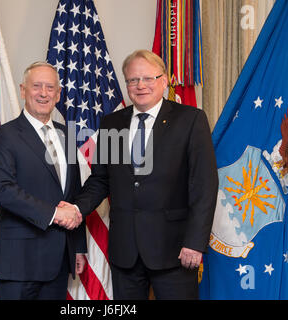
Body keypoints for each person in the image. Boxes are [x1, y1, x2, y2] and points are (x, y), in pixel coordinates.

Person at [60, 50, 218, 299]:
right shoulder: (112, 123)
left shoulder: (190, 120)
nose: (140, 85)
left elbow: (204, 186)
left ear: (163, 81)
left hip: (175, 249)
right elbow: (101, 179)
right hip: (125, 251)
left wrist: (195, 242)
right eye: (133, 80)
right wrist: (77, 209)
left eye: (148, 78)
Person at [0, 61, 86, 300]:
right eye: (37, 86)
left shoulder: (67, 134)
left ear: (58, 94)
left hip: (60, 259)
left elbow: (73, 194)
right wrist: (54, 213)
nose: (43, 93)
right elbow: (1, 189)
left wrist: (78, 247)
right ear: (23, 90)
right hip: (20, 261)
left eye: (50, 88)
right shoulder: (4, 135)